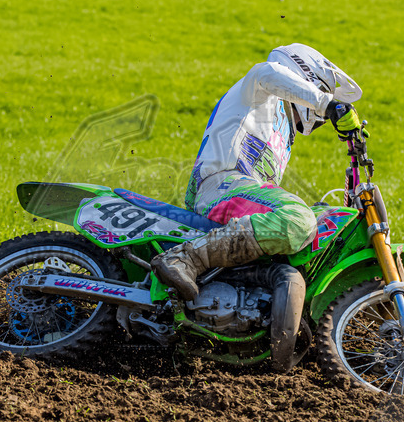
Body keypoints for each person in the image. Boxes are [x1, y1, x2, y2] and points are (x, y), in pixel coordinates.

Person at [151, 43, 363, 305]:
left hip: (236, 191)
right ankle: (185, 258)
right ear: (305, 77)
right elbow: (267, 73)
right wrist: (328, 104)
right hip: (220, 184)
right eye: (320, 91)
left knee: (315, 218)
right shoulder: (261, 90)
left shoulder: (284, 131)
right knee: (297, 219)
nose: (319, 119)